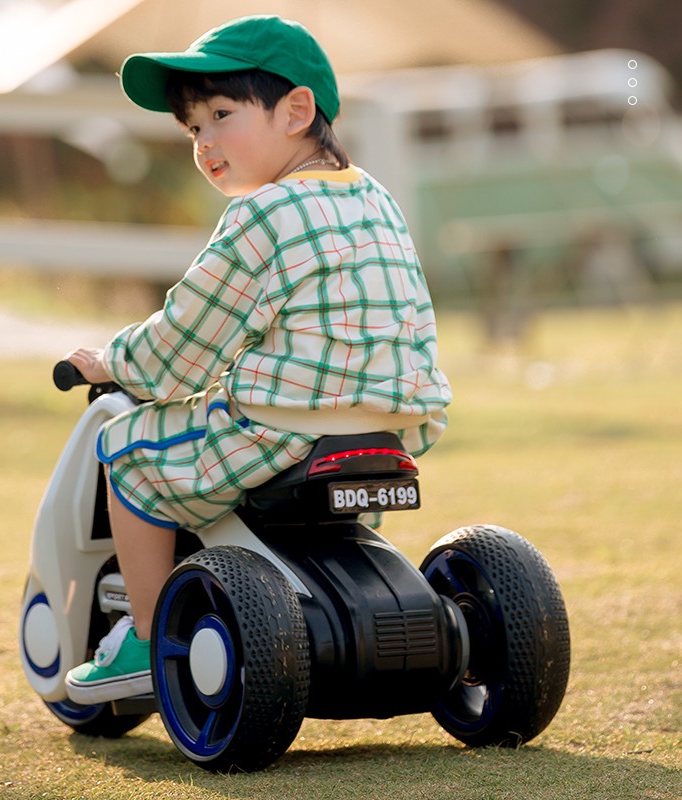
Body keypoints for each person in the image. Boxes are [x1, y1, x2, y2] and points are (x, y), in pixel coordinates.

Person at [63, 14, 452, 705]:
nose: (205, 142)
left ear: (297, 110)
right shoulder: (375, 199)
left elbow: (182, 345)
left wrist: (113, 363)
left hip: (282, 425)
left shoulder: (263, 212)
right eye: (192, 129)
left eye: (220, 114)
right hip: (395, 427)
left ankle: (148, 634)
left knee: (126, 449)